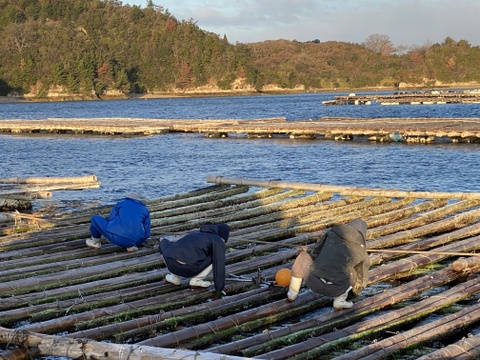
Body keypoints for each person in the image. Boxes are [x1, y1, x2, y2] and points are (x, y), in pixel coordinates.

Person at [287, 218, 370, 310]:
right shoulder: (362, 251)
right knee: (355, 271)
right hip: (337, 289)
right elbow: (362, 280)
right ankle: (340, 300)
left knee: (302, 256)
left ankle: (292, 294)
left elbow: (316, 252)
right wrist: (351, 297)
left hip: (313, 282)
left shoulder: (331, 233)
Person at [159, 223, 229, 298]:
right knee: (216, 256)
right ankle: (196, 280)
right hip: (189, 269)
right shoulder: (218, 241)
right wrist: (219, 288)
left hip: (171, 265)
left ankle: (175, 278)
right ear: (222, 237)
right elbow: (219, 265)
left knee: (170, 247)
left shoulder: (194, 234)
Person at [87, 193, 151, 252]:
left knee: (95, 219)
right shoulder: (145, 209)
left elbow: (111, 219)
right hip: (136, 241)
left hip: (117, 238)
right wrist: (138, 240)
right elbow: (147, 232)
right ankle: (130, 246)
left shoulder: (121, 203)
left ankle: (95, 242)